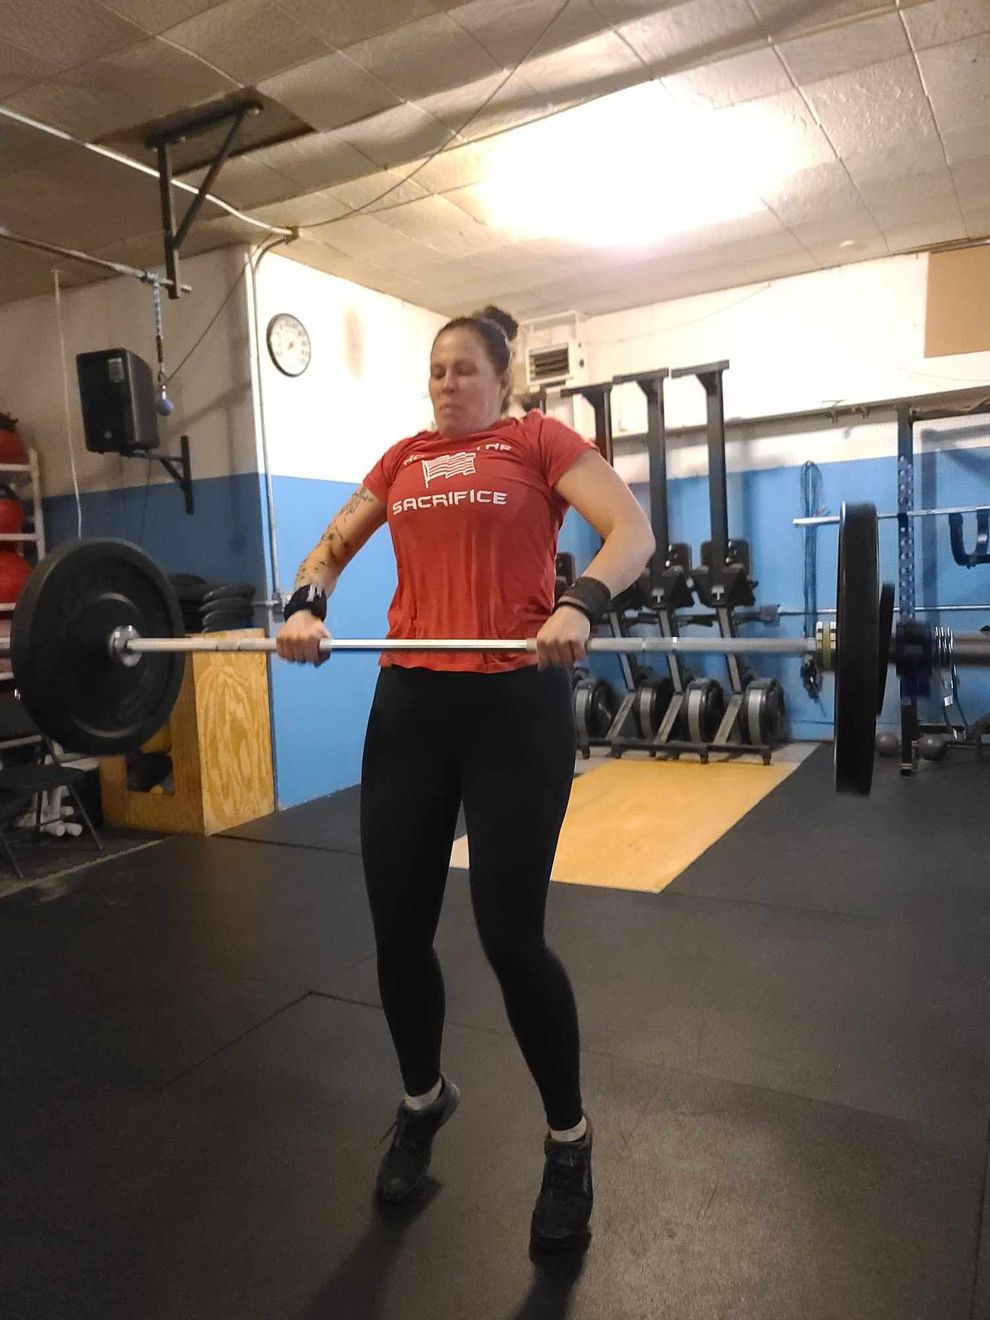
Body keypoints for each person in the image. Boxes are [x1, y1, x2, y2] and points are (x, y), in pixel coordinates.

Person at [276, 305, 655, 1253]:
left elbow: (631, 533)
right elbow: (334, 543)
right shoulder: (402, 459)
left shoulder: (540, 442)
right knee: (397, 934)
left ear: (502, 377)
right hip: (409, 709)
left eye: (463, 369)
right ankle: (422, 1100)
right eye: (436, 370)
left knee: (510, 939)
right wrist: (306, 602)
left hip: (513, 707)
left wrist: (581, 602)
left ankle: (569, 1140)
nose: (446, 383)